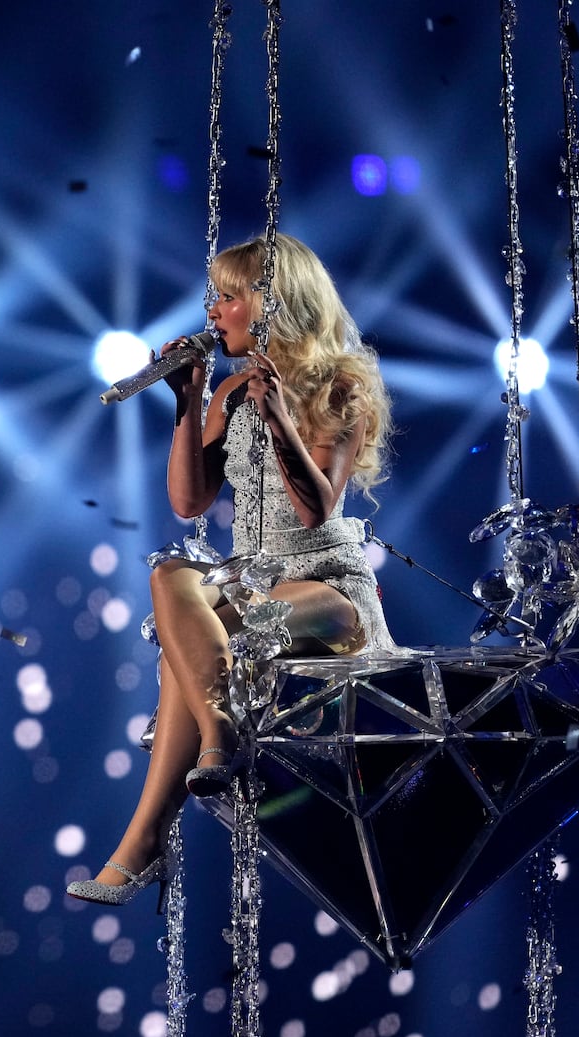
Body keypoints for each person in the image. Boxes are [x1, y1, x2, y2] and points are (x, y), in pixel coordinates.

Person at [67, 233, 396, 908]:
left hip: (329, 586)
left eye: (228, 296)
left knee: (177, 661)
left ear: (275, 304)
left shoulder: (342, 385)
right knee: (169, 578)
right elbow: (189, 501)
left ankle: (147, 838)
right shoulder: (231, 393)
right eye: (214, 297)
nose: (212, 312)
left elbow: (314, 511)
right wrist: (191, 403)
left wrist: (280, 420)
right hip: (256, 576)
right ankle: (214, 743)